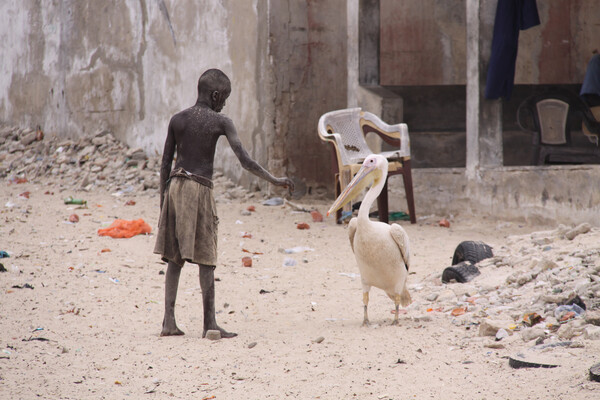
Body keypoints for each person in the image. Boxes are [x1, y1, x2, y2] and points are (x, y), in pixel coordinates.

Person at [154, 69, 294, 338]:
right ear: (215, 95)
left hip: (174, 187)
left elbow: (164, 164)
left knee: (174, 257)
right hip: (199, 188)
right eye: (225, 97)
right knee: (206, 256)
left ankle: (168, 322)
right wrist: (274, 180)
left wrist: (163, 203)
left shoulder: (177, 119)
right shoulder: (221, 122)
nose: (225, 103)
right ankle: (210, 324)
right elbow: (246, 161)